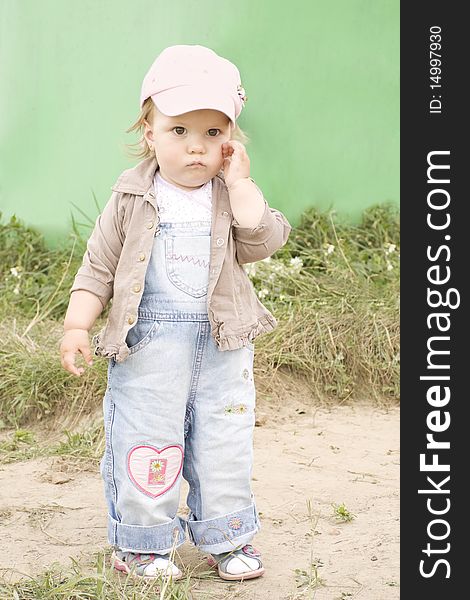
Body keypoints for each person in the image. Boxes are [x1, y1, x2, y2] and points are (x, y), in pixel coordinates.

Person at [60, 44, 291, 582]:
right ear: (149, 132)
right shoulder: (130, 197)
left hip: (221, 349)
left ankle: (228, 537)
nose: (196, 147)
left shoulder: (229, 197)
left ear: (230, 142)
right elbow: (98, 268)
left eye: (213, 134)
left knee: (223, 441)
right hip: (147, 349)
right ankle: (143, 544)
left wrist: (240, 184)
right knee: (148, 440)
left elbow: (265, 239)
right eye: (179, 131)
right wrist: (78, 324)